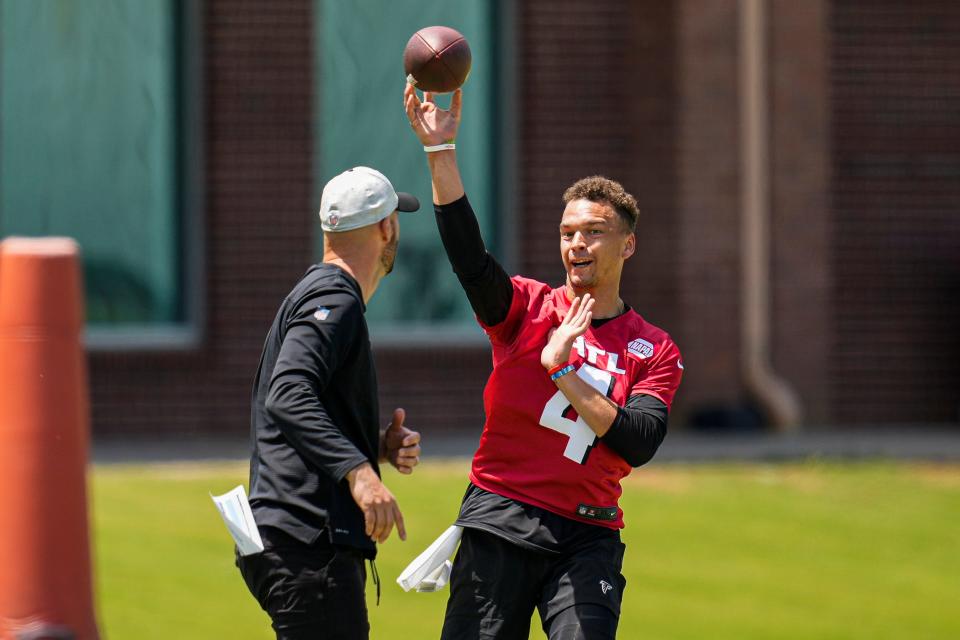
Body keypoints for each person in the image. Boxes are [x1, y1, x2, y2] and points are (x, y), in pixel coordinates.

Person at [404, 85, 684, 639]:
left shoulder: (653, 347)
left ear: (627, 245)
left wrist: (563, 372)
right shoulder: (529, 308)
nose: (577, 244)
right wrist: (441, 152)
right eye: (568, 233)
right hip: (500, 518)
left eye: (594, 233)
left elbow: (639, 441)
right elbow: (469, 260)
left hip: (588, 535)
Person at [238, 166, 423, 640]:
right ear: (387, 228)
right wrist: (360, 474)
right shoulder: (334, 298)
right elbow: (289, 392)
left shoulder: (315, 291)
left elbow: (300, 400)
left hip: (289, 538)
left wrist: (373, 444)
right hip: (308, 542)